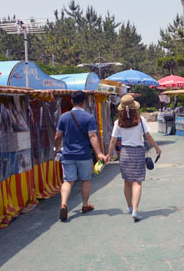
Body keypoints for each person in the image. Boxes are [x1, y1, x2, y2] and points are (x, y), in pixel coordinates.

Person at [54, 90, 108, 222]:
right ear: (85, 102)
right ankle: (85, 205)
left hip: (67, 154)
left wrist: (56, 148)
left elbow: (58, 136)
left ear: (72, 102)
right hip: (84, 154)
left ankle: (64, 204)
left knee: (68, 181)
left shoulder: (64, 117)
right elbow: (92, 136)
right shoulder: (89, 118)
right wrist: (99, 153)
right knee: (85, 180)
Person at [108, 94, 162, 222]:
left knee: (127, 182)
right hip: (138, 152)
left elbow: (113, 140)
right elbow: (148, 136)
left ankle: (130, 207)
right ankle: (136, 210)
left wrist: (109, 155)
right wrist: (157, 148)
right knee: (137, 182)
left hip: (125, 153)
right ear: (134, 107)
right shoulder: (140, 120)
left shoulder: (118, 122)